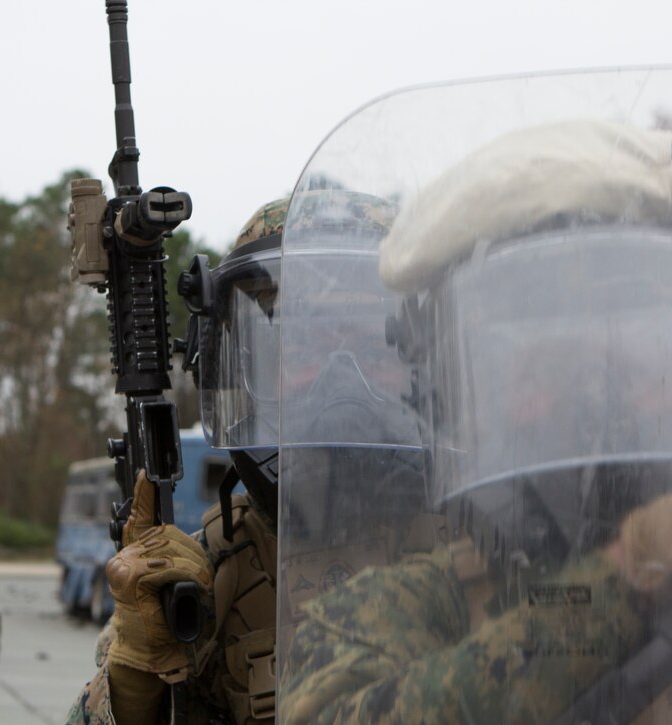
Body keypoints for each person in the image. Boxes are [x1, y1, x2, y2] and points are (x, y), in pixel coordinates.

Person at [277, 119, 672, 723]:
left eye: (635, 360)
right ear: (454, 398)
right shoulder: (402, 611)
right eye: (546, 369)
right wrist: (637, 566)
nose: (595, 407)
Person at [67, 192, 428, 724]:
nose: (340, 376)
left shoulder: (495, 544)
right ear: (241, 370)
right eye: (303, 347)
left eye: (374, 343)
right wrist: (135, 673)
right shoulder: (203, 582)